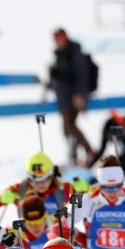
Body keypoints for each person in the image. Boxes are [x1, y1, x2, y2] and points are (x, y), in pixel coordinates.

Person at [0, 152, 79, 218]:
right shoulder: (20, 189)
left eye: (45, 179)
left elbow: (92, 201)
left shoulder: (64, 188)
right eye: (35, 180)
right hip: (28, 243)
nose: (40, 184)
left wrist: (84, 189)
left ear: (52, 175)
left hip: (56, 242)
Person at [48, 28, 95, 166]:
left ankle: (89, 151)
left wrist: (80, 94)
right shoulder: (60, 54)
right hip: (63, 97)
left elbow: (81, 75)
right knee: (67, 127)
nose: (57, 41)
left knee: (70, 126)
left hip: (73, 97)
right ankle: (73, 157)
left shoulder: (74, 53)